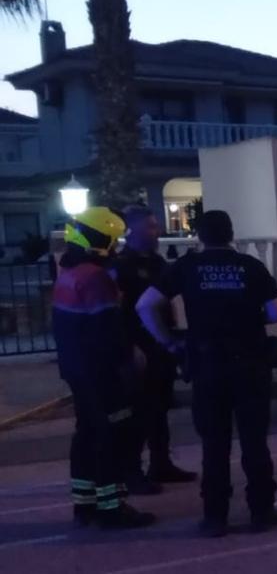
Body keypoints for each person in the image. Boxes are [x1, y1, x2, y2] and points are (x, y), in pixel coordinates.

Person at [137, 210, 277, 538]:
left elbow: (145, 306)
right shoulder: (251, 267)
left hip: (207, 366)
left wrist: (168, 342)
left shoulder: (186, 267)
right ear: (231, 233)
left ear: (200, 236)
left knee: (214, 445)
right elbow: (276, 313)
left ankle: (215, 517)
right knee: (254, 442)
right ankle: (262, 511)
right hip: (249, 365)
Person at [52, 207, 156, 529]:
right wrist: (128, 364)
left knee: (86, 434)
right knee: (114, 436)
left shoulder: (68, 273)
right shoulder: (96, 279)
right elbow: (107, 331)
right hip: (103, 374)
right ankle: (113, 507)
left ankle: (84, 505)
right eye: (112, 240)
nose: (115, 247)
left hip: (77, 370)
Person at [113, 205, 196, 494]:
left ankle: (161, 464)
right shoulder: (122, 266)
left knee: (160, 407)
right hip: (138, 348)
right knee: (138, 412)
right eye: (150, 226)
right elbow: (117, 313)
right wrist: (129, 347)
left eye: (156, 226)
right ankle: (132, 472)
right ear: (131, 230)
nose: (156, 231)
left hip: (161, 344)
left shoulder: (159, 263)